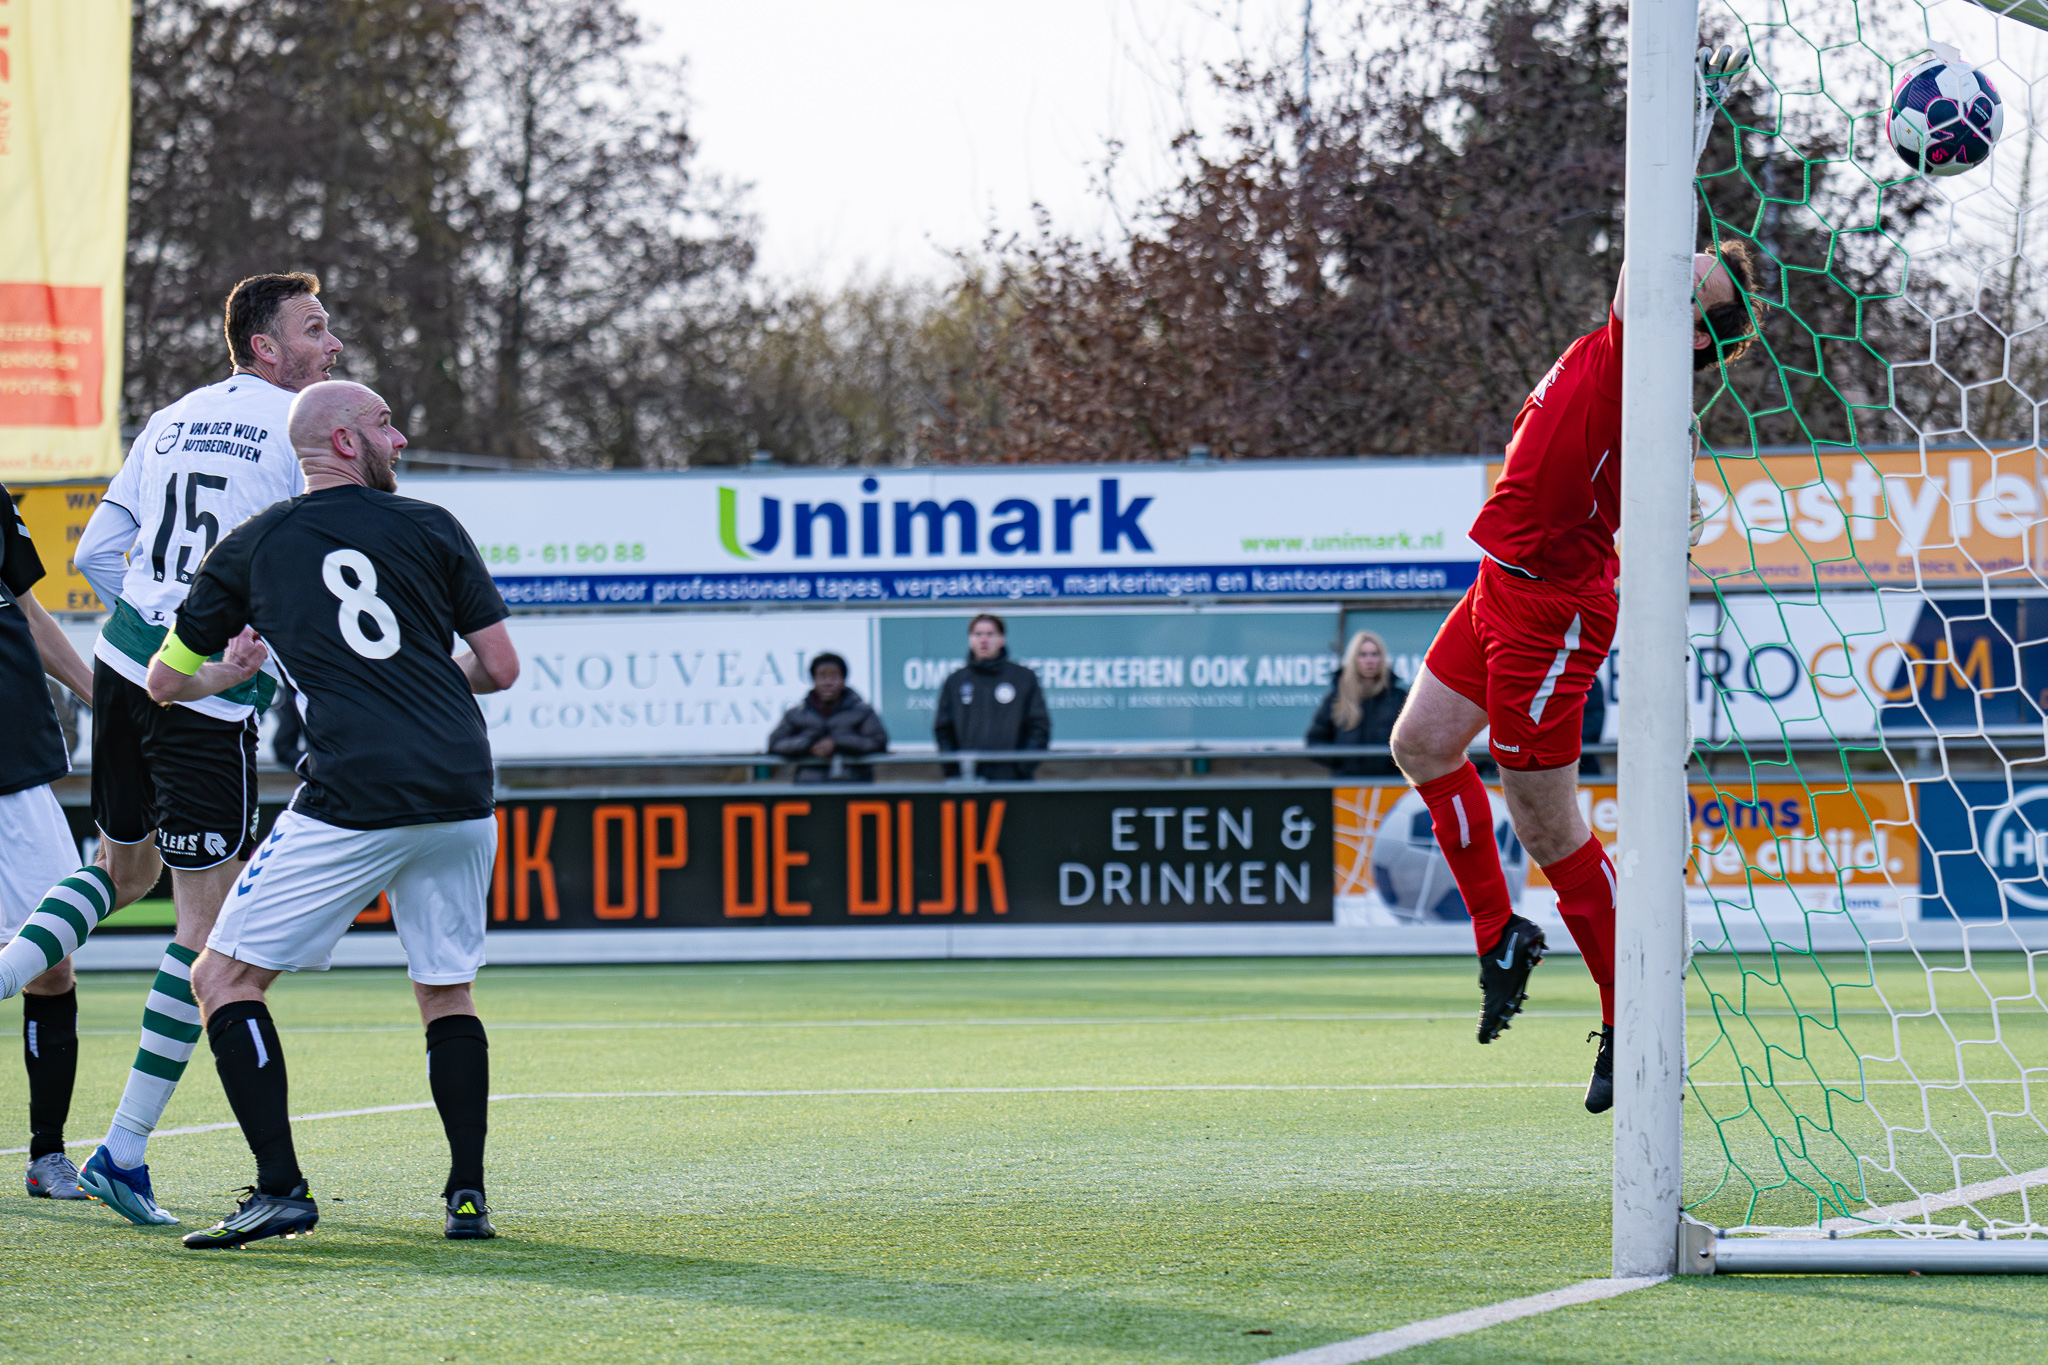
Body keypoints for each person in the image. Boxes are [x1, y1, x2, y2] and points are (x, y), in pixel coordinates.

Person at [0, 272, 342, 1227]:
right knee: (207, 929)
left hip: (120, 665)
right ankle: (124, 1149)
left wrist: (157, 615)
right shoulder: (301, 429)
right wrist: (232, 644)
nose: (334, 346)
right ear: (265, 347)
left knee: (119, 867)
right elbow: (308, 575)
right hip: (198, 697)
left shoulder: (173, 414)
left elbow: (97, 558)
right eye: (316, 329)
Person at [144, 379, 519, 1249]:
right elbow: (498, 667)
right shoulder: (432, 524)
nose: (402, 434)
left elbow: (164, 682)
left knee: (219, 980)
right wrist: (422, 682)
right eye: (386, 421)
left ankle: (280, 1189)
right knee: (446, 988)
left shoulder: (253, 545)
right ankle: (468, 1194)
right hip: (462, 784)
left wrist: (224, 676)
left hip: (356, 789)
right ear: (344, 442)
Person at [1388, 241, 1761, 1115]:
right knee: (1422, 742)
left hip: (1552, 611)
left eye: (1701, 281)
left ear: (1698, 335)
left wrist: (1689, 111)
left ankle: (1633, 1013)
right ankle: (1500, 933)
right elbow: (1658, 260)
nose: (1683, 264)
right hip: (1499, 580)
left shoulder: (1645, 362)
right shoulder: (1619, 338)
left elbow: (1662, 262)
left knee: (1548, 825)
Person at [0, 487, 129, 1200]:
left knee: (51, 961)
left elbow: (25, 610)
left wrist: (100, 700)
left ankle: (47, 1153)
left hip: (15, 770)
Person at [933, 614, 1050, 782]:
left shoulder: (1023, 679)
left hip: (1013, 780)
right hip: (967, 780)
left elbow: (1039, 727)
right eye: (978, 634)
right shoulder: (956, 682)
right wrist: (954, 769)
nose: (984, 639)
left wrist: (1021, 767)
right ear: (970, 639)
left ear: (1002, 639)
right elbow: (943, 729)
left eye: (990, 634)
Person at [767, 653, 890, 782]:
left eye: (834, 677)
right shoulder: (796, 714)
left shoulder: (863, 712)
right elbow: (776, 744)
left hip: (853, 787)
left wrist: (837, 743)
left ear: (843, 680)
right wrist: (808, 744)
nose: (827, 682)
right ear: (814, 680)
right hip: (808, 789)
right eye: (822, 676)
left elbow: (878, 742)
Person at [1305, 631, 1408, 777]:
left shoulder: (1398, 697)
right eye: (1363, 654)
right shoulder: (1337, 697)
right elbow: (1315, 742)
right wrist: (1341, 760)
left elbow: (1414, 740)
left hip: (1390, 784)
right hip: (1346, 786)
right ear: (1353, 659)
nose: (1369, 660)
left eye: (1374, 654)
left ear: (1382, 658)